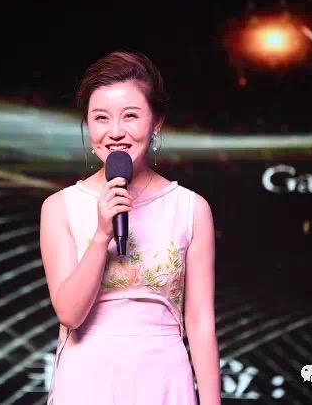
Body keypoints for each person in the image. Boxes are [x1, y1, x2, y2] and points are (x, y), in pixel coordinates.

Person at [39, 51, 221, 404]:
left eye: (130, 116)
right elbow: (70, 314)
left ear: (156, 122)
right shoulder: (60, 207)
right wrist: (102, 235)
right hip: (86, 381)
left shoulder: (190, 208)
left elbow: (200, 322)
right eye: (101, 118)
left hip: (164, 379)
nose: (115, 132)